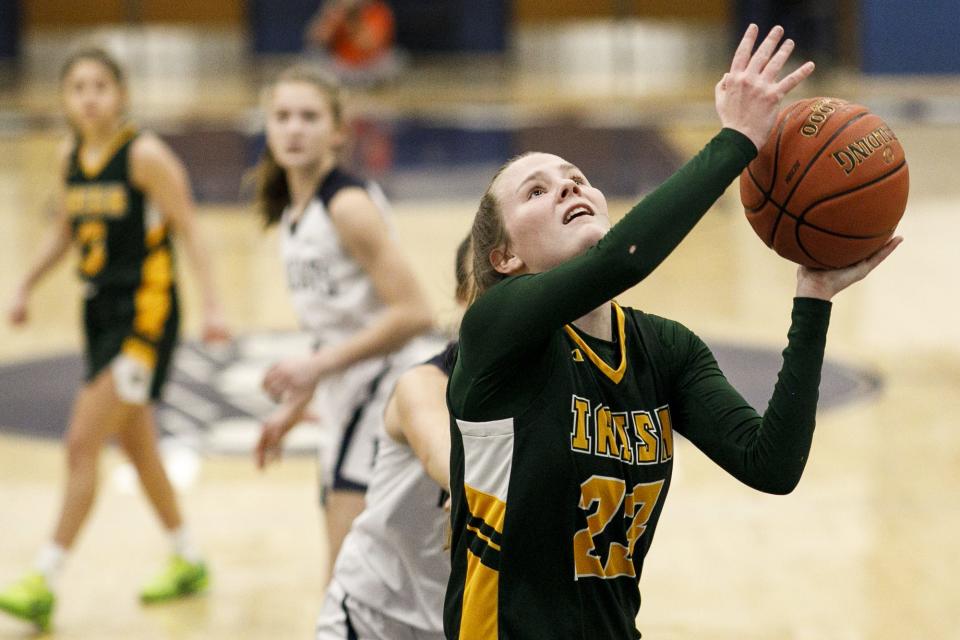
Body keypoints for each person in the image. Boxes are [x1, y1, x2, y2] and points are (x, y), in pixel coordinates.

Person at [444, 25, 901, 639]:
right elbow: (625, 259)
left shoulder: (663, 350)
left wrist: (812, 298)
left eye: (575, 176)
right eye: (536, 191)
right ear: (504, 258)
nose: (569, 186)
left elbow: (771, 465)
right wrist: (737, 139)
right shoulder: (497, 335)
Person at [0, 47, 229, 632]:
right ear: (64, 100)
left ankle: (44, 577)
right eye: (77, 86)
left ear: (121, 95)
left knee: (81, 443)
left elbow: (191, 229)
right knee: (137, 446)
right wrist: (25, 282)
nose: (89, 96)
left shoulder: (145, 155)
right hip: (99, 314)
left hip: (145, 319)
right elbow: (65, 230)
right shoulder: (68, 154)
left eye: (100, 85)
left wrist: (214, 306)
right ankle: (188, 560)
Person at [251, 65, 437, 576]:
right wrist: (297, 404)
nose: (294, 128)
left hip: (384, 393)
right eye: (282, 116)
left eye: (309, 117)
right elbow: (335, 325)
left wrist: (315, 369)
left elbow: (415, 311)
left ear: (337, 131)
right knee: (367, 575)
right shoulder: (294, 210)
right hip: (348, 394)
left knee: (347, 578)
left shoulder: (348, 205)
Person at [315, 235, 470, 640]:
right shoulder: (422, 384)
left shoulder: (556, 388)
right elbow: (440, 449)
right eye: (487, 282)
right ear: (461, 297)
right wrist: (468, 482)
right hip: (373, 619)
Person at [304, 0, 405, 87]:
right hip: (342, 67)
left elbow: (367, 45)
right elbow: (316, 39)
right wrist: (330, 14)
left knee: (396, 59)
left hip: (371, 67)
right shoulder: (337, 11)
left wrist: (354, 17)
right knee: (313, 56)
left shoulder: (378, 11)